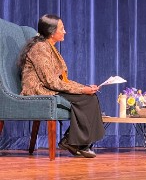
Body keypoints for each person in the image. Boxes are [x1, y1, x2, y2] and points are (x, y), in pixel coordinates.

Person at [18, 14, 105, 158]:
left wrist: (85, 87)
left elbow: (62, 79)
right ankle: (73, 142)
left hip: (49, 86)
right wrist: (82, 90)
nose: (65, 32)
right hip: (38, 89)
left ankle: (75, 141)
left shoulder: (50, 47)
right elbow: (50, 81)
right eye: (62, 29)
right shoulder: (40, 48)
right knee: (86, 99)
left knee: (89, 96)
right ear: (52, 32)